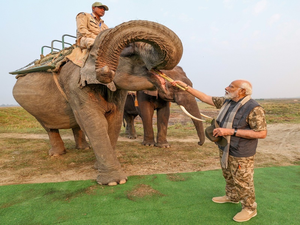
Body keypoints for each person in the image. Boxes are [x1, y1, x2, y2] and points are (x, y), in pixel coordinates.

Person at [171, 79, 267, 222]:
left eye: (231, 86)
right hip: (225, 147)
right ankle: (232, 196)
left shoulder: (253, 108)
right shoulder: (227, 102)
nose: (226, 88)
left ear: (242, 91)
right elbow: (204, 97)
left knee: (243, 181)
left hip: (241, 151)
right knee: (227, 173)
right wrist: (185, 87)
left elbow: (261, 133)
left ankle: (249, 208)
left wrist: (230, 131)